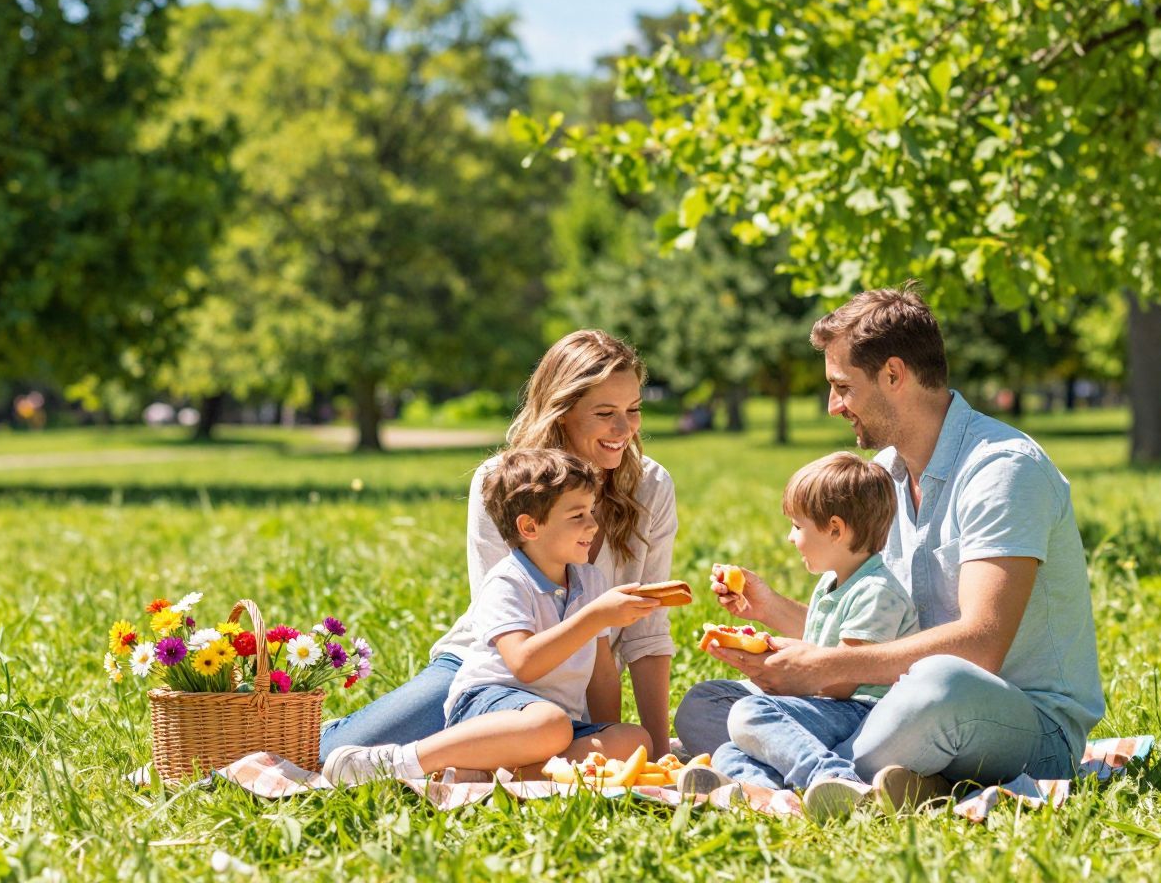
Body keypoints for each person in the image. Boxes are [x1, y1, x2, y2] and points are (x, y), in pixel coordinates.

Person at [675, 286, 1104, 807]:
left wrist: (824, 668)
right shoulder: (882, 477)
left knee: (940, 682)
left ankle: (781, 771)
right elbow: (871, 632)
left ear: (894, 375)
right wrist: (774, 614)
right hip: (889, 706)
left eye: (843, 387)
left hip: (1018, 721)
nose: (833, 406)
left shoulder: (1002, 470)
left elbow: (981, 646)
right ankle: (885, 781)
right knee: (710, 703)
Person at [320, 330, 680, 760]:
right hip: (487, 675)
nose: (624, 429)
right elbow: (506, 634)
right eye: (605, 413)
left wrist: (658, 756)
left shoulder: (650, 486)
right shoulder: (503, 485)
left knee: (624, 743)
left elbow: (646, 636)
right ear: (561, 412)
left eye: (634, 409)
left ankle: (479, 765)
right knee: (333, 751)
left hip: (570, 688)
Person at [323, 449, 654, 781]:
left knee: (634, 741)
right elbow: (524, 664)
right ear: (530, 526)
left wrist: (608, 736)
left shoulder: (590, 581)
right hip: (487, 706)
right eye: (577, 515)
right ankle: (403, 761)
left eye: (591, 511)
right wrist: (595, 617)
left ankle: (487, 774)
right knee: (550, 725)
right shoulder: (507, 582)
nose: (593, 525)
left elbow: (602, 675)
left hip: (551, 722)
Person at [696, 451, 920, 817]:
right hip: (832, 708)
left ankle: (837, 780)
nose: (790, 537)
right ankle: (774, 801)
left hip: (861, 713)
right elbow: (819, 654)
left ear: (835, 530)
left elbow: (841, 682)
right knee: (729, 751)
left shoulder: (876, 591)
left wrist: (782, 669)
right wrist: (768, 651)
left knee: (750, 713)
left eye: (797, 527)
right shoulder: (832, 583)